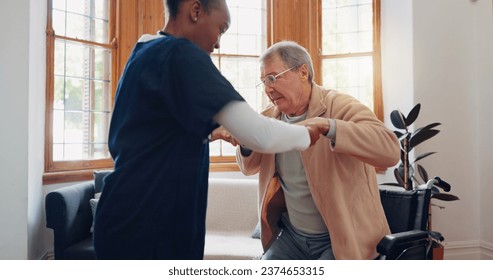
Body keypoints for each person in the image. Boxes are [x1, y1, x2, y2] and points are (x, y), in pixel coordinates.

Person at [93, 1, 326, 260]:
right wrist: (308, 133)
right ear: (195, 11)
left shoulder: (144, 51)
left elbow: (153, 133)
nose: (218, 44)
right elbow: (259, 134)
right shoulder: (180, 54)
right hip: (147, 228)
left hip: (122, 218)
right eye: (221, 28)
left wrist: (211, 134)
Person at [234, 41, 401, 260]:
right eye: (263, 82)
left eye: (272, 78)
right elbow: (249, 167)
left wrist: (329, 127)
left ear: (303, 72)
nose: (267, 89)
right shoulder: (269, 117)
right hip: (292, 238)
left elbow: (390, 150)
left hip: (339, 238)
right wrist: (245, 143)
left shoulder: (339, 106)